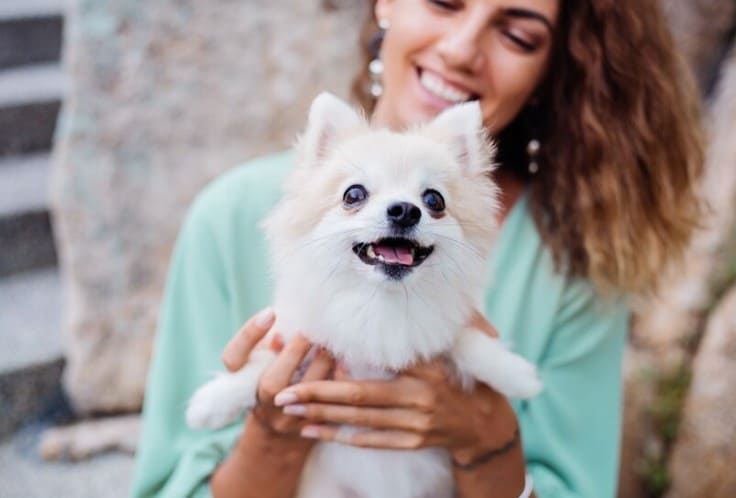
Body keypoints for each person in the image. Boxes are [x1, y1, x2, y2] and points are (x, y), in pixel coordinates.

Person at [130, 0, 704, 497]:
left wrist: (487, 441)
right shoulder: (228, 217)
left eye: (518, 35)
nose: (461, 50)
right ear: (385, 3)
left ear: (555, 69)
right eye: (444, 1)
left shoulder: (580, 256)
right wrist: (274, 434)